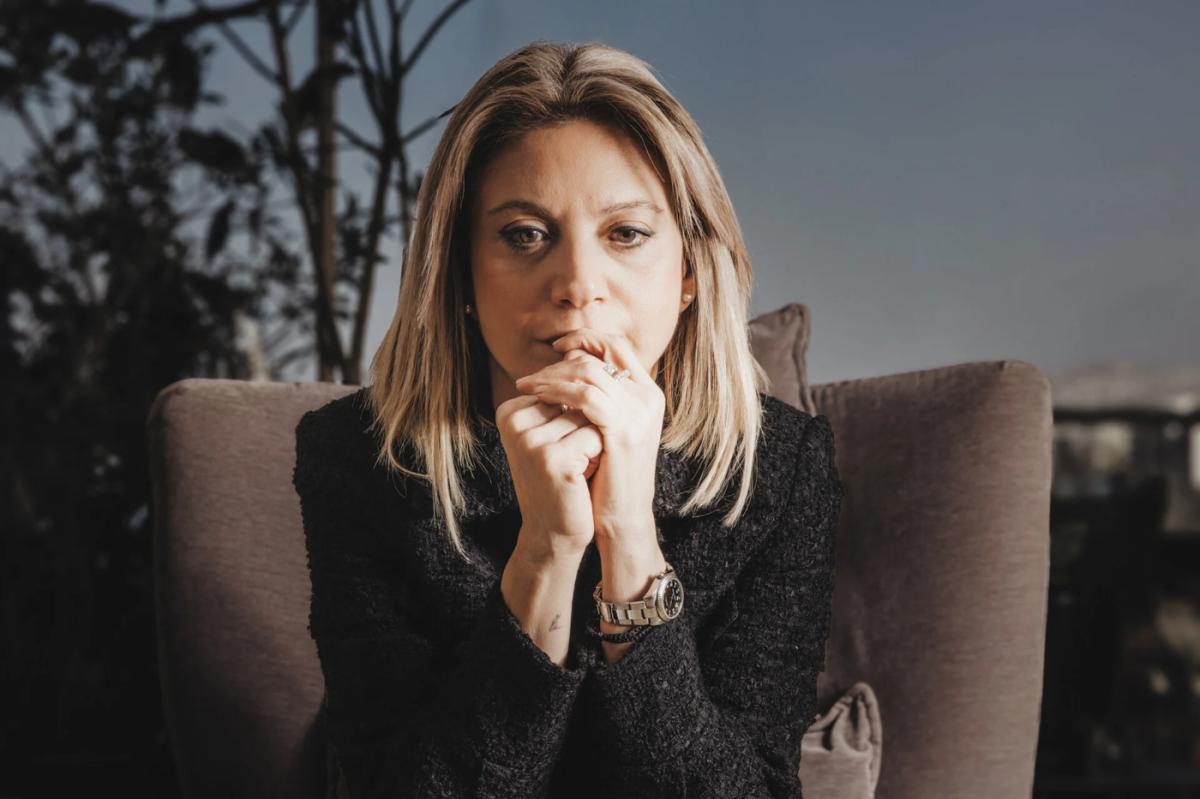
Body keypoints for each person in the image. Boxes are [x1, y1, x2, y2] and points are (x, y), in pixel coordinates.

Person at [292, 40, 843, 799]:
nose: (579, 284)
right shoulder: (354, 458)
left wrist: (629, 536)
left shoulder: (780, 468)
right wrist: (545, 554)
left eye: (626, 234)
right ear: (460, 272)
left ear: (688, 271)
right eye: (525, 234)